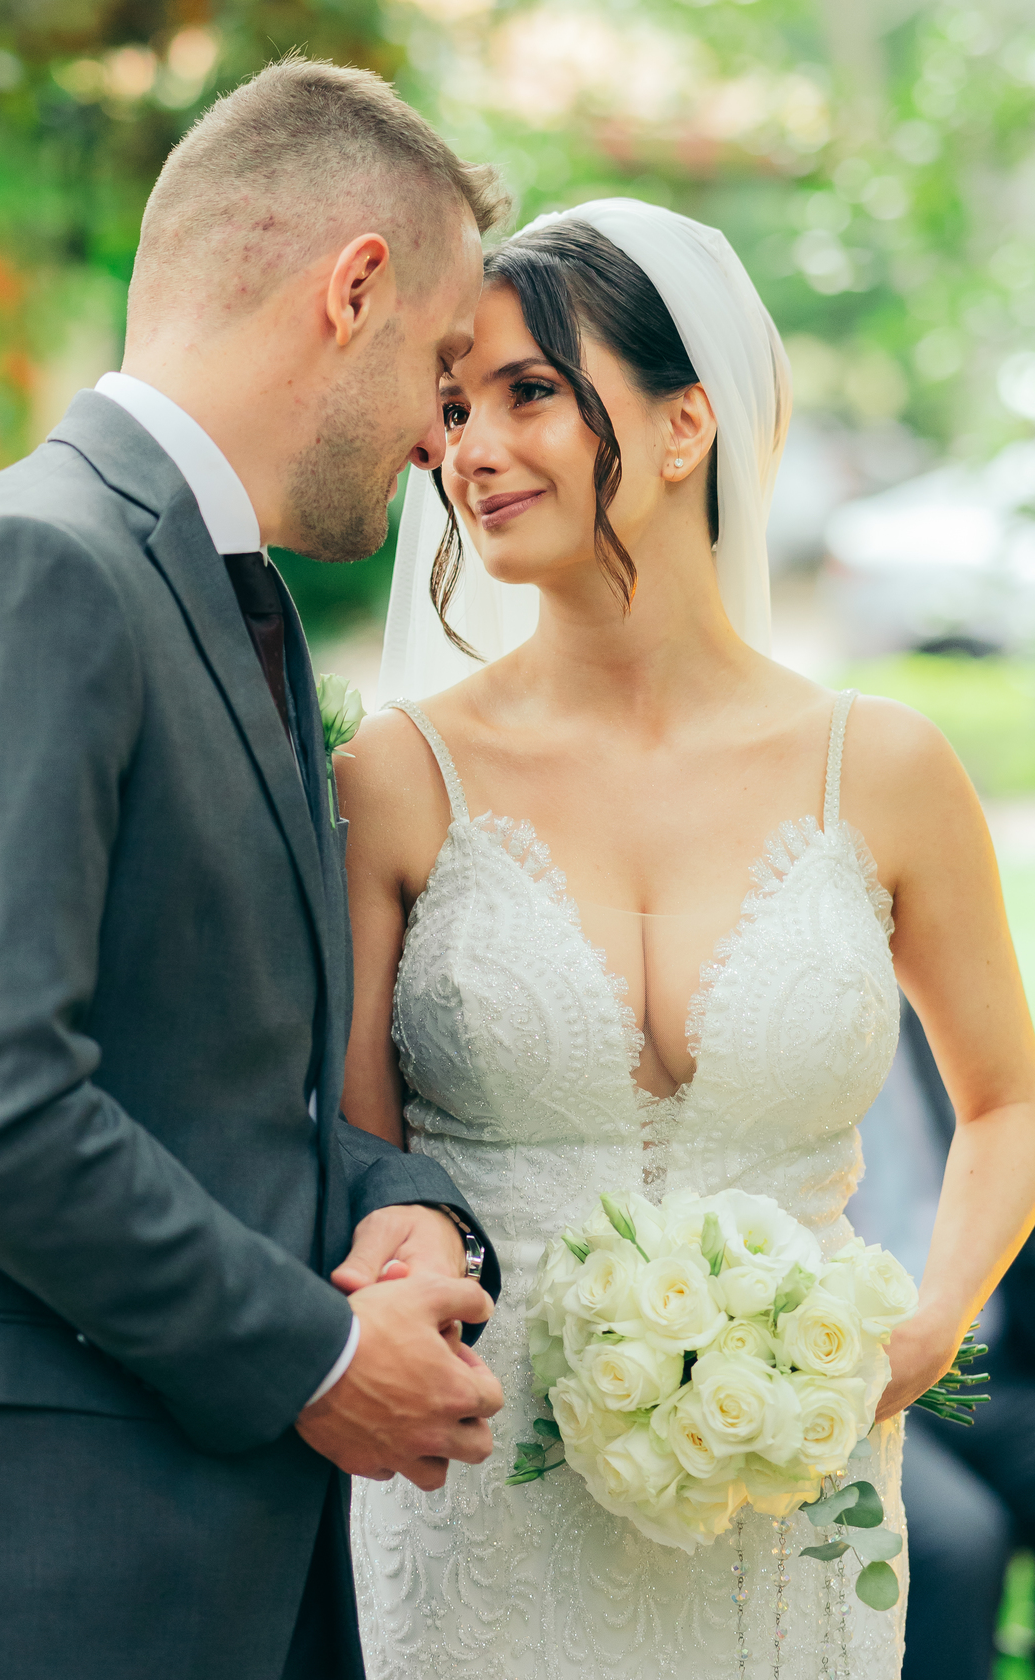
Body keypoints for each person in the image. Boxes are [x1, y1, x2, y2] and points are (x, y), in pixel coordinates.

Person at [0, 58, 511, 1680]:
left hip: (220, 1582)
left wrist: (409, 1213)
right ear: (352, 289)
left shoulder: (231, 610)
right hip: (40, 1579)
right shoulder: (29, 568)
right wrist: (322, 1352)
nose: (440, 438)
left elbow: (224, 1079)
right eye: (439, 363)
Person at [337, 199, 1035, 1678]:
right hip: (478, 1497)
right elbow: (349, 1153)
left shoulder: (887, 771)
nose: (470, 448)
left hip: (789, 1487)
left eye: (532, 392)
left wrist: (913, 1339)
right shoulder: (398, 783)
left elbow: (1009, 1101)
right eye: (454, 404)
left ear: (684, 426)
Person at [849, 1001, 1035, 1680]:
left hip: (994, 1355)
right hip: (852, 1383)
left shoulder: (931, 1004)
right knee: (958, 1543)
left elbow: (1009, 1117)